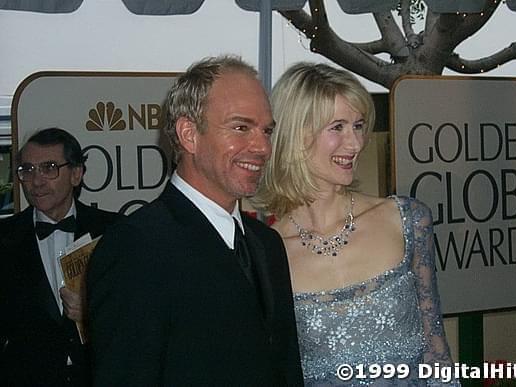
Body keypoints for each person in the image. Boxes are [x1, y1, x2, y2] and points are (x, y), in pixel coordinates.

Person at [86, 55, 304, 386]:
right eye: (241, 127)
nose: (262, 147)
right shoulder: (136, 248)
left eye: (266, 131)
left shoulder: (266, 244)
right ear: (189, 134)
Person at [252, 63, 458, 386]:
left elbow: (437, 354)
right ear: (295, 135)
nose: (356, 143)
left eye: (359, 126)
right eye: (338, 127)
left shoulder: (407, 220)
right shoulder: (263, 256)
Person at [0, 127, 121, 386]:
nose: (37, 181)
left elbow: (138, 315)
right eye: (27, 170)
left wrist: (91, 314)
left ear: (76, 174)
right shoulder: (4, 239)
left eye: (49, 167)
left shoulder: (115, 232)